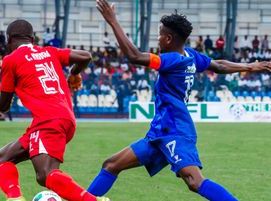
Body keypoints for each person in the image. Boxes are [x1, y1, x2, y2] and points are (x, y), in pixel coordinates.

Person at [87, 1, 271, 201]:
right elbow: (218, 65)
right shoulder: (190, 56)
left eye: (159, 35)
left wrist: (113, 21)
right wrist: (250, 66)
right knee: (111, 165)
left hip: (175, 131)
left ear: (168, 38)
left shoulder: (171, 60)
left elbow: (134, 56)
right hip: (159, 134)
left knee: (194, 181)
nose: (157, 39)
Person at [0, 19, 110, 201]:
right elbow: (85, 56)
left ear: (9, 39)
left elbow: (4, 106)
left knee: (45, 174)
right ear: (32, 38)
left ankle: (92, 200)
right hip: (63, 117)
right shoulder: (48, 52)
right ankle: (15, 198)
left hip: (48, 120)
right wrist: (74, 73)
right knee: (1, 159)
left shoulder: (10, 60)